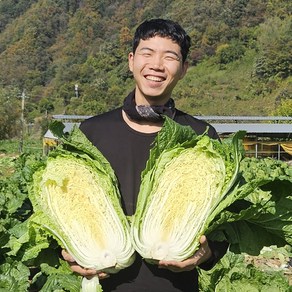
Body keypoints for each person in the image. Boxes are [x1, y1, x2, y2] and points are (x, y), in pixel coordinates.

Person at [62, 18, 228, 291]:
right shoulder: (91, 132)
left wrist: (206, 254)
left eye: (170, 57)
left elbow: (224, 227)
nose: (156, 65)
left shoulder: (201, 136)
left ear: (184, 68)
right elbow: (67, 206)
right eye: (147, 53)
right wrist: (67, 252)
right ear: (131, 61)